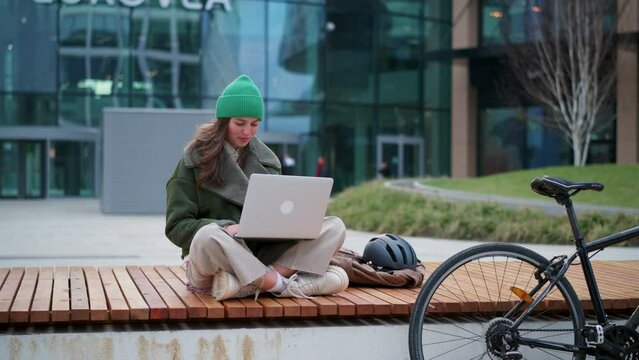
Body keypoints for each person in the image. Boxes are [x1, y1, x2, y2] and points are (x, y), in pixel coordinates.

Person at [165, 75, 349, 301]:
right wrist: (226, 227)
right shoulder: (193, 160)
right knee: (207, 235)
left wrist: (293, 226)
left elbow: (276, 215)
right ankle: (283, 285)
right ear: (224, 120)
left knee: (334, 227)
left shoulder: (268, 161)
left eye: (254, 124)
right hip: (216, 260)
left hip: (259, 255)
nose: (247, 132)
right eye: (240, 123)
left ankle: (254, 283)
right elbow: (176, 227)